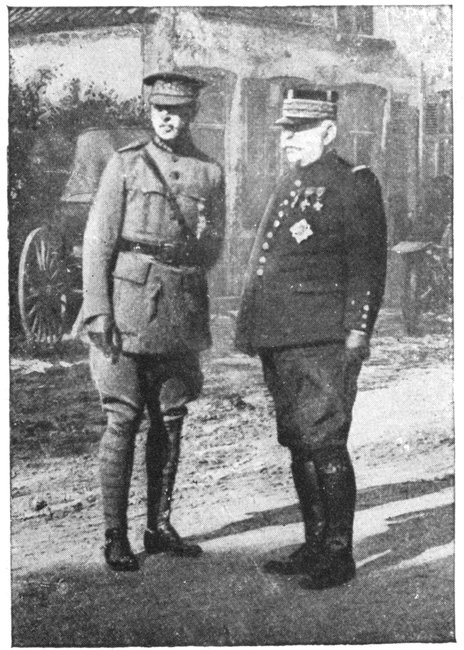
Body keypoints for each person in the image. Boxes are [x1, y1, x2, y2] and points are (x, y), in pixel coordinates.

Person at [235, 88, 387, 589]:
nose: (287, 140)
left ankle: (339, 555)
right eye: (285, 131)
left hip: (324, 339)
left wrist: (358, 330)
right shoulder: (291, 183)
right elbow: (263, 262)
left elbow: (367, 265)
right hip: (282, 336)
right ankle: (315, 543)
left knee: (325, 443)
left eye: (298, 130)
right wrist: (252, 327)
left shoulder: (353, 183)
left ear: (328, 131)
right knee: (299, 442)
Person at [82, 72, 225, 571]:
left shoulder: (210, 172)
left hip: (179, 311)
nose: (168, 118)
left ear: (192, 115)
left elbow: (214, 248)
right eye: (161, 109)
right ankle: (115, 535)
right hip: (125, 308)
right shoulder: (125, 164)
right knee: (123, 418)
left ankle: (159, 526)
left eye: (178, 111)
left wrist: (194, 248)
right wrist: (97, 309)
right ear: (150, 111)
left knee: (171, 416)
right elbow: (98, 241)